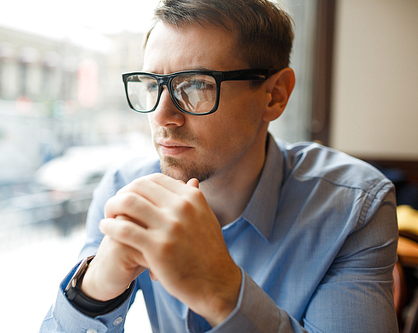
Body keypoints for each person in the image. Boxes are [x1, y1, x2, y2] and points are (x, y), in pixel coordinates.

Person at [40, 0, 398, 332]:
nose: (162, 115)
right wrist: (95, 288)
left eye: (196, 85)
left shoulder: (355, 206)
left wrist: (222, 290)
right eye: (153, 85)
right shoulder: (125, 189)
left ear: (275, 96)